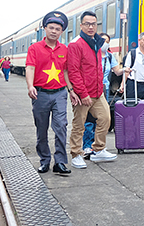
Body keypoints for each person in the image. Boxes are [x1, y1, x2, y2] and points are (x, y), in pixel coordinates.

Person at [25, 11, 78, 175]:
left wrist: (71, 90)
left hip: (59, 94)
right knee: (41, 128)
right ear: (45, 29)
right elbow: (30, 67)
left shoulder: (65, 49)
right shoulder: (34, 48)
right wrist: (30, 86)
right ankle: (44, 160)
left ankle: (60, 162)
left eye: (57, 29)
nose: (54, 31)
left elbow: (66, 72)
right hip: (40, 94)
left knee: (61, 126)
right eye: (51, 28)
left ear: (61, 32)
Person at [67, 11, 117, 169]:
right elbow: (73, 71)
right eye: (87, 24)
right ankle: (76, 154)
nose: (90, 27)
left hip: (97, 91)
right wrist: (82, 93)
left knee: (105, 119)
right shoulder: (76, 44)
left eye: (93, 24)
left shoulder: (96, 42)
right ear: (81, 25)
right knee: (79, 124)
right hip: (84, 94)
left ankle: (98, 149)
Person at [82, 33, 123, 157]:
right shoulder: (91, 55)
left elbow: (117, 71)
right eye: (103, 40)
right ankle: (87, 147)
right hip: (91, 89)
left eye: (107, 41)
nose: (105, 43)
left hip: (103, 90)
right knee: (89, 120)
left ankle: (99, 147)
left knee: (103, 119)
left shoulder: (110, 57)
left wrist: (125, 70)